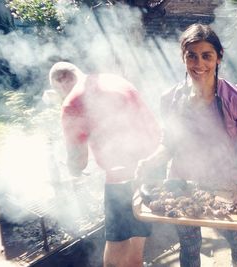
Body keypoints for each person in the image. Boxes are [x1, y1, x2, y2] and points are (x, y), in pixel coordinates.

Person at [135, 23, 237, 267]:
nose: (198, 64)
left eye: (206, 56)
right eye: (191, 56)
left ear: (219, 57)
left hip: (225, 186)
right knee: (190, 248)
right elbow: (168, 144)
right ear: (183, 58)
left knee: (235, 239)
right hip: (181, 186)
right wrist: (148, 162)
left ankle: (236, 262)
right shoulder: (170, 98)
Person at [48, 61, 160, 267]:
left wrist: (72, 168)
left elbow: (78, 161)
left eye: (58, 90)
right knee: (136, 240)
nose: (61, 95)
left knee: (116, 250)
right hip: (151, 168)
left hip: (122, 178)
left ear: (62, 81)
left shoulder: (73, 102)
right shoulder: (115, 80)